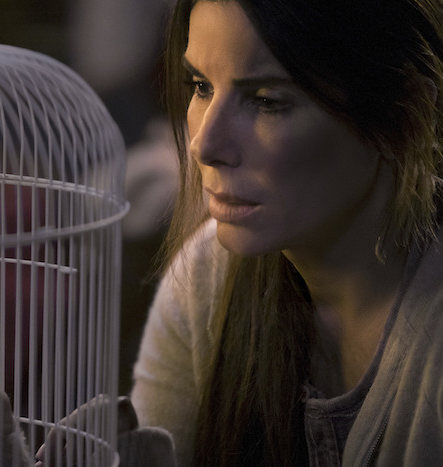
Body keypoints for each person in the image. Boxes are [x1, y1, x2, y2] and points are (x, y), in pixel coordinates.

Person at [129, 0, 443, 466]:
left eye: (266, 101)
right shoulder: (208, 275)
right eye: (201, 86)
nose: (204, 145)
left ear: (406, 111)